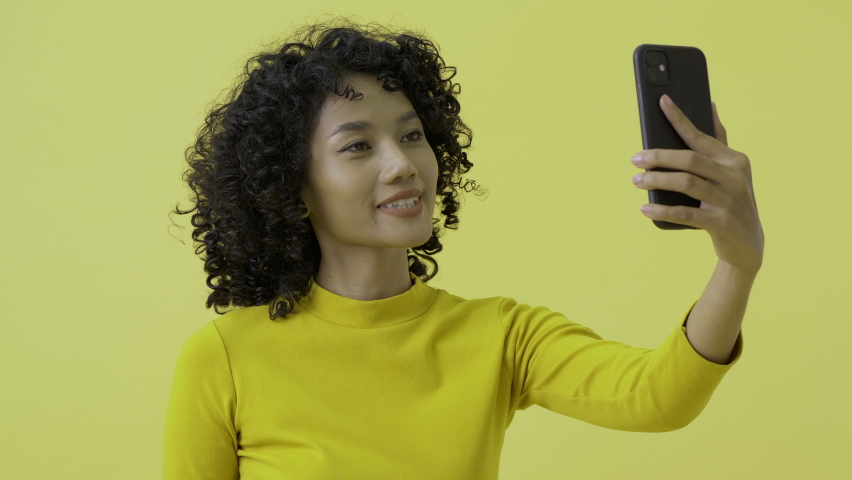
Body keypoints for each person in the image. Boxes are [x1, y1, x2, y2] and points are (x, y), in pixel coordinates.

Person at [163, 16, 753, 480]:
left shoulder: (500, 334)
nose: (402, 165)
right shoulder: (223, 359)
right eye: (358, 146)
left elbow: (658, 397)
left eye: (411, 135)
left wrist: (736, 264)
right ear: (291, 188)